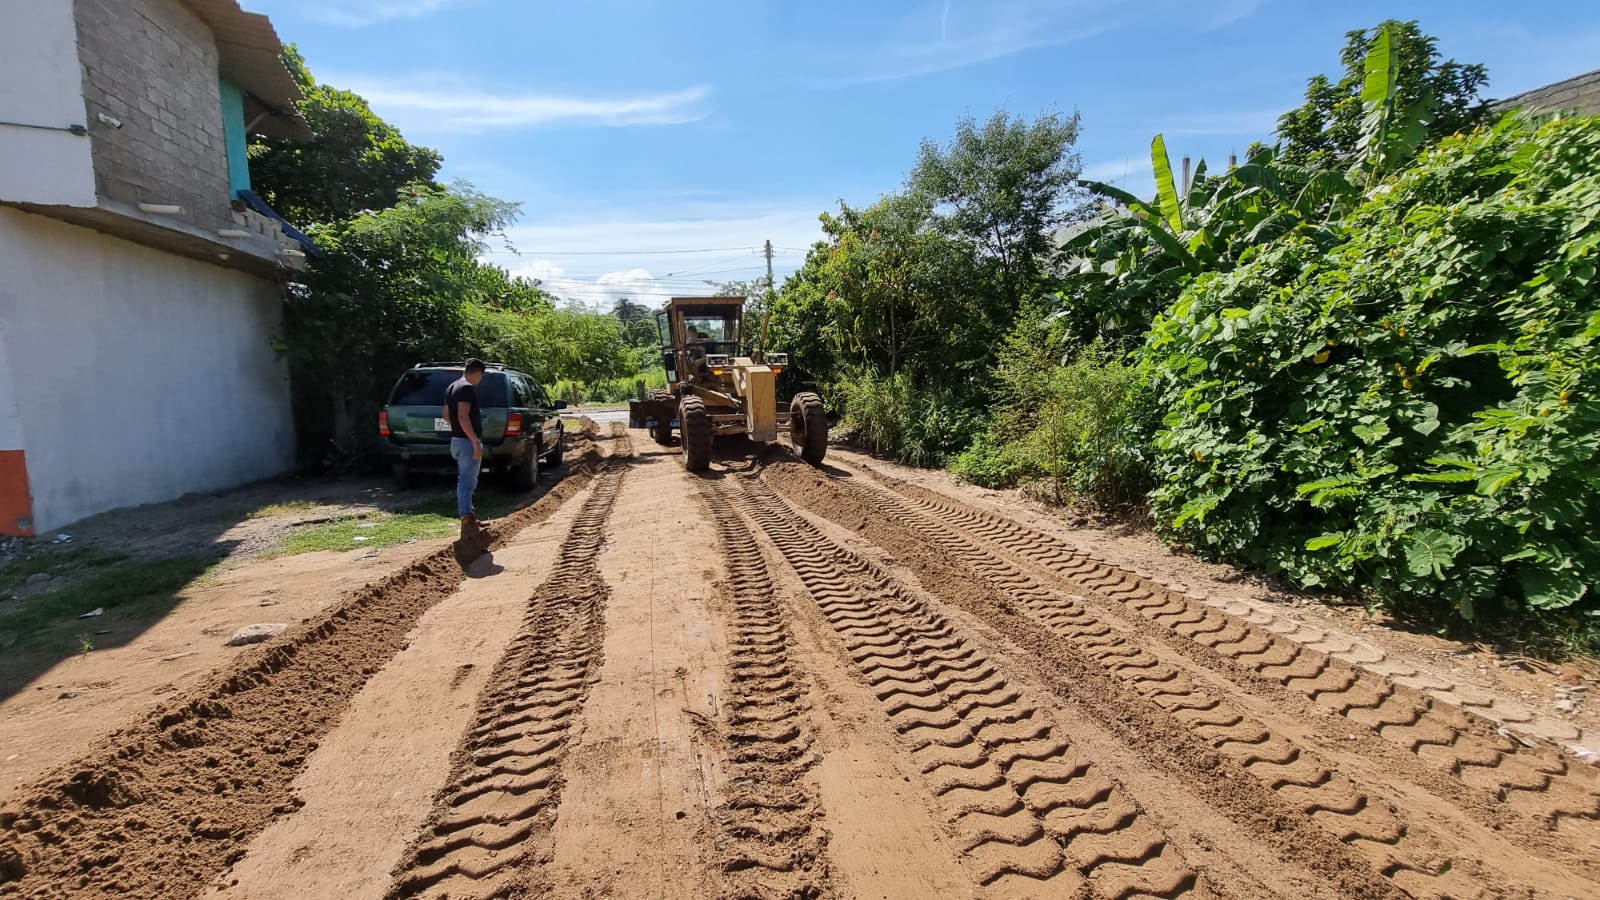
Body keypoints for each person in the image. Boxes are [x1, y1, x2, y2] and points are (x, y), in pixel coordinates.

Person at [445, 358, 487, 540]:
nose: (480, 380)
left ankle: (468, 514)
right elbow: (463, 417)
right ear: (477, 372)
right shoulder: (466, 388)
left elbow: (446, 416)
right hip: (466, 442)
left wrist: (458, 430)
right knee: (467, 483)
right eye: (481, 376)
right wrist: (474, 442)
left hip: (456, 440)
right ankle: (466, 519)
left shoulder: (451, 387)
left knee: (467, 481)